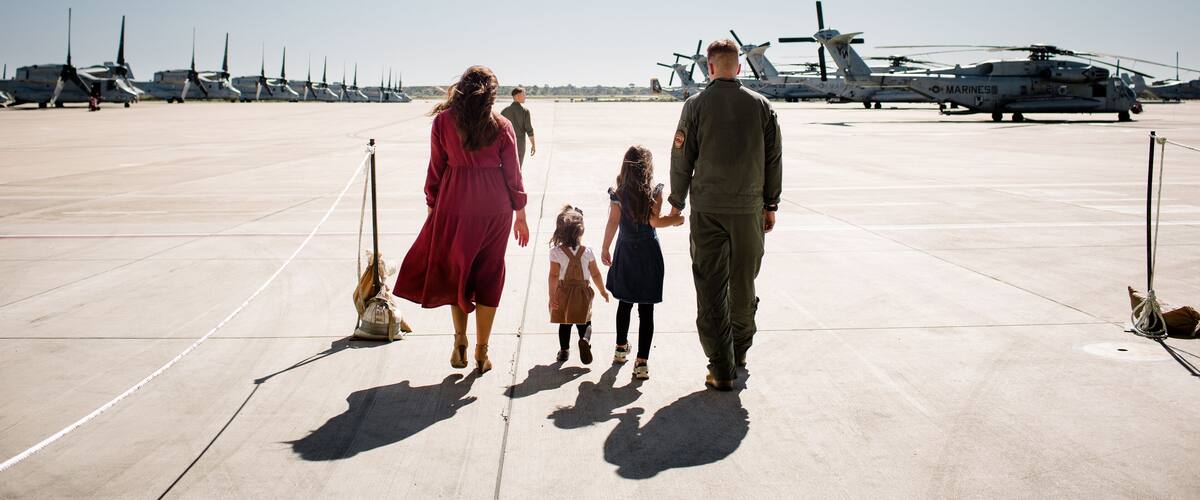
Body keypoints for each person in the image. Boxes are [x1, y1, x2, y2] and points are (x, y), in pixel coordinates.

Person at [394, 65, 531, 375]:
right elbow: (513, 174)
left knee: (460, 271)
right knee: (489, 273)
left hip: (454, 203)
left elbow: (436, 168)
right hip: (495, 207)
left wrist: (433, 205)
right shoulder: (502, 125)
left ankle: (460, 343)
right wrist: (520, 213)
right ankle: (483, 352)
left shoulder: (443, 122)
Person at [668, 39, 782, 391]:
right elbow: (773, 159)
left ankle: (721, 368)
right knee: (743, 284)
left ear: (711, 68)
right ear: (740, 68)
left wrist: (676, 201)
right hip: (749, 210)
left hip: (708, 211)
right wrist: (771, 204)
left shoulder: (696, 105)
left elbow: (681, 157)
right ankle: (741, 350)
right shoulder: (762, 106)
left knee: (710, 286)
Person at [600, 146, 684, 380]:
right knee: (646, 310)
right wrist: (676, 219)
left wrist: (606, 247)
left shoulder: (618, 193)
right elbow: (655, 221)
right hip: (648, 253)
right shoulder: (654, 192)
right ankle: (642, 362)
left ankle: (620, 349)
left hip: (625, 251)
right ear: (648, 169)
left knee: (624, 303)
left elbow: (613, 222)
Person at [548, 205, 609, 364]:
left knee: (565, 323)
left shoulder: (556, 252)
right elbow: (595, 273)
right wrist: (602, 290)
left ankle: (564, 351)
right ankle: (585, 340)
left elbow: (554, 275)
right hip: (582, 292)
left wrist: (552, 295)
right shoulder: (587, 252)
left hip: (564, 292)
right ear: (580, 231)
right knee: (585, 322)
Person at [500, 87, 536, 166]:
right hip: (520, 145)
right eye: (523, 94)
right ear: (517, 96)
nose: (525, 96)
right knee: (518, 169)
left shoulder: (504, 111)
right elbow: (529, 130)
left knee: (507, 169)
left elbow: (499, 130)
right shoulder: (525, 111)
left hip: (506, 145)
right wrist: (533, 144)